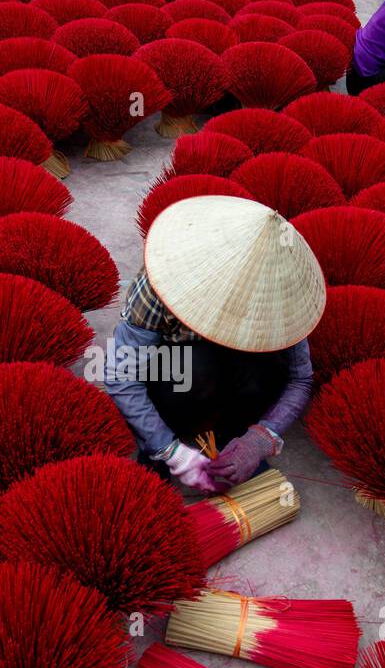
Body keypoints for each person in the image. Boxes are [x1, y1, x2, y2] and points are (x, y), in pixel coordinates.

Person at [105, 195, 326, 493]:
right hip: (177, 386)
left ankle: (229, 437)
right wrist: (167, 448)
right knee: (194, 366)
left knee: (267, 367)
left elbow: (300, 378)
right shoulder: (163, 283)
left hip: (236, 383)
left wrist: (262, 438)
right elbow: (123, 376)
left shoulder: (286, 301)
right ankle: (160, 443)